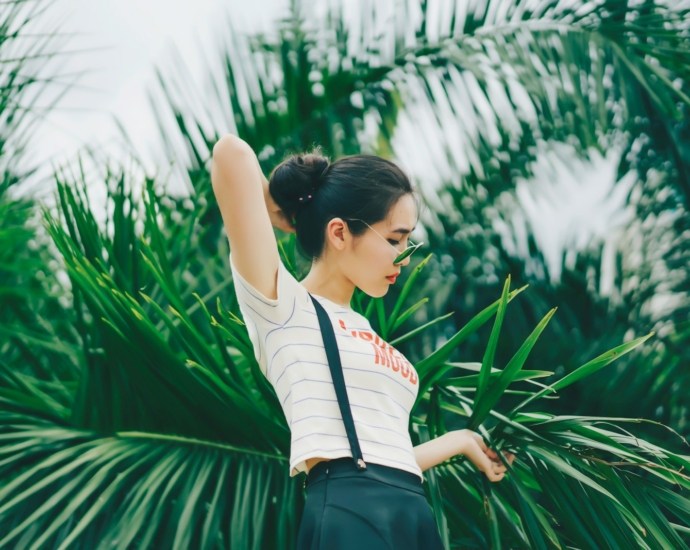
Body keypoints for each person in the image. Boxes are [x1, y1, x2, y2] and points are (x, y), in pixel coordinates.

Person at [210, 135, 515, 549]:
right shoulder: (283, 306)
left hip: (412, 512)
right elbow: (231, 153)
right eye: (394, 239)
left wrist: (458, 441)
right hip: (351, 512)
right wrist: (293, 212)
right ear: (338, 232)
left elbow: (385, 454)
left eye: (409, 242)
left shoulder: (368, 331)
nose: (404, 257)